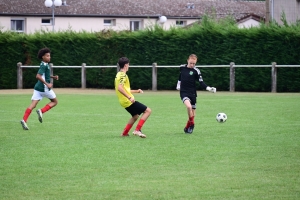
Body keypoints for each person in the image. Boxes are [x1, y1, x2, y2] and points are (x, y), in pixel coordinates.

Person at [20, 47, 59, 130]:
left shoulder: (43, 64)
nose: (49, 57)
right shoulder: (44, 65)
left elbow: (45, 75)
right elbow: (38, 76)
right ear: (43, 57)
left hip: (37, 88)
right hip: (44, 89)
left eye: (49, 56)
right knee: (55, 102)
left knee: (33, 105)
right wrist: (47, 84)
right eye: (47, 56)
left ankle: (24, 120)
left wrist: (53, 77)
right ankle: (41, 111)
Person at [176, 54, 216, 134]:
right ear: (187, 60)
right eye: (191, 63)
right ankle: (192, 124)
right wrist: (178, 84)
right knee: (188, 106)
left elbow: (201, 82)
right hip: (184, 92)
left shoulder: (196, 71)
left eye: (194, 63)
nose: (192, 65)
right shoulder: (182, 67)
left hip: (193, 93)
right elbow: (181, 76)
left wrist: (209, 88)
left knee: (193, 113)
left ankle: (187, 127)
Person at [115, 57, 151, 138]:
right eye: (128, 64)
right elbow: (120, 88)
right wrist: (129, 97)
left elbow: (125, 89)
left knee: (135, 116)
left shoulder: (118, 74)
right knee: (148, 111)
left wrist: (136, 91)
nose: (129, 66)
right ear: (125, 65)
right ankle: (137, 130)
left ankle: (125, 133)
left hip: (123, 101)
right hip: (127, 101)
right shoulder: (123, 75)